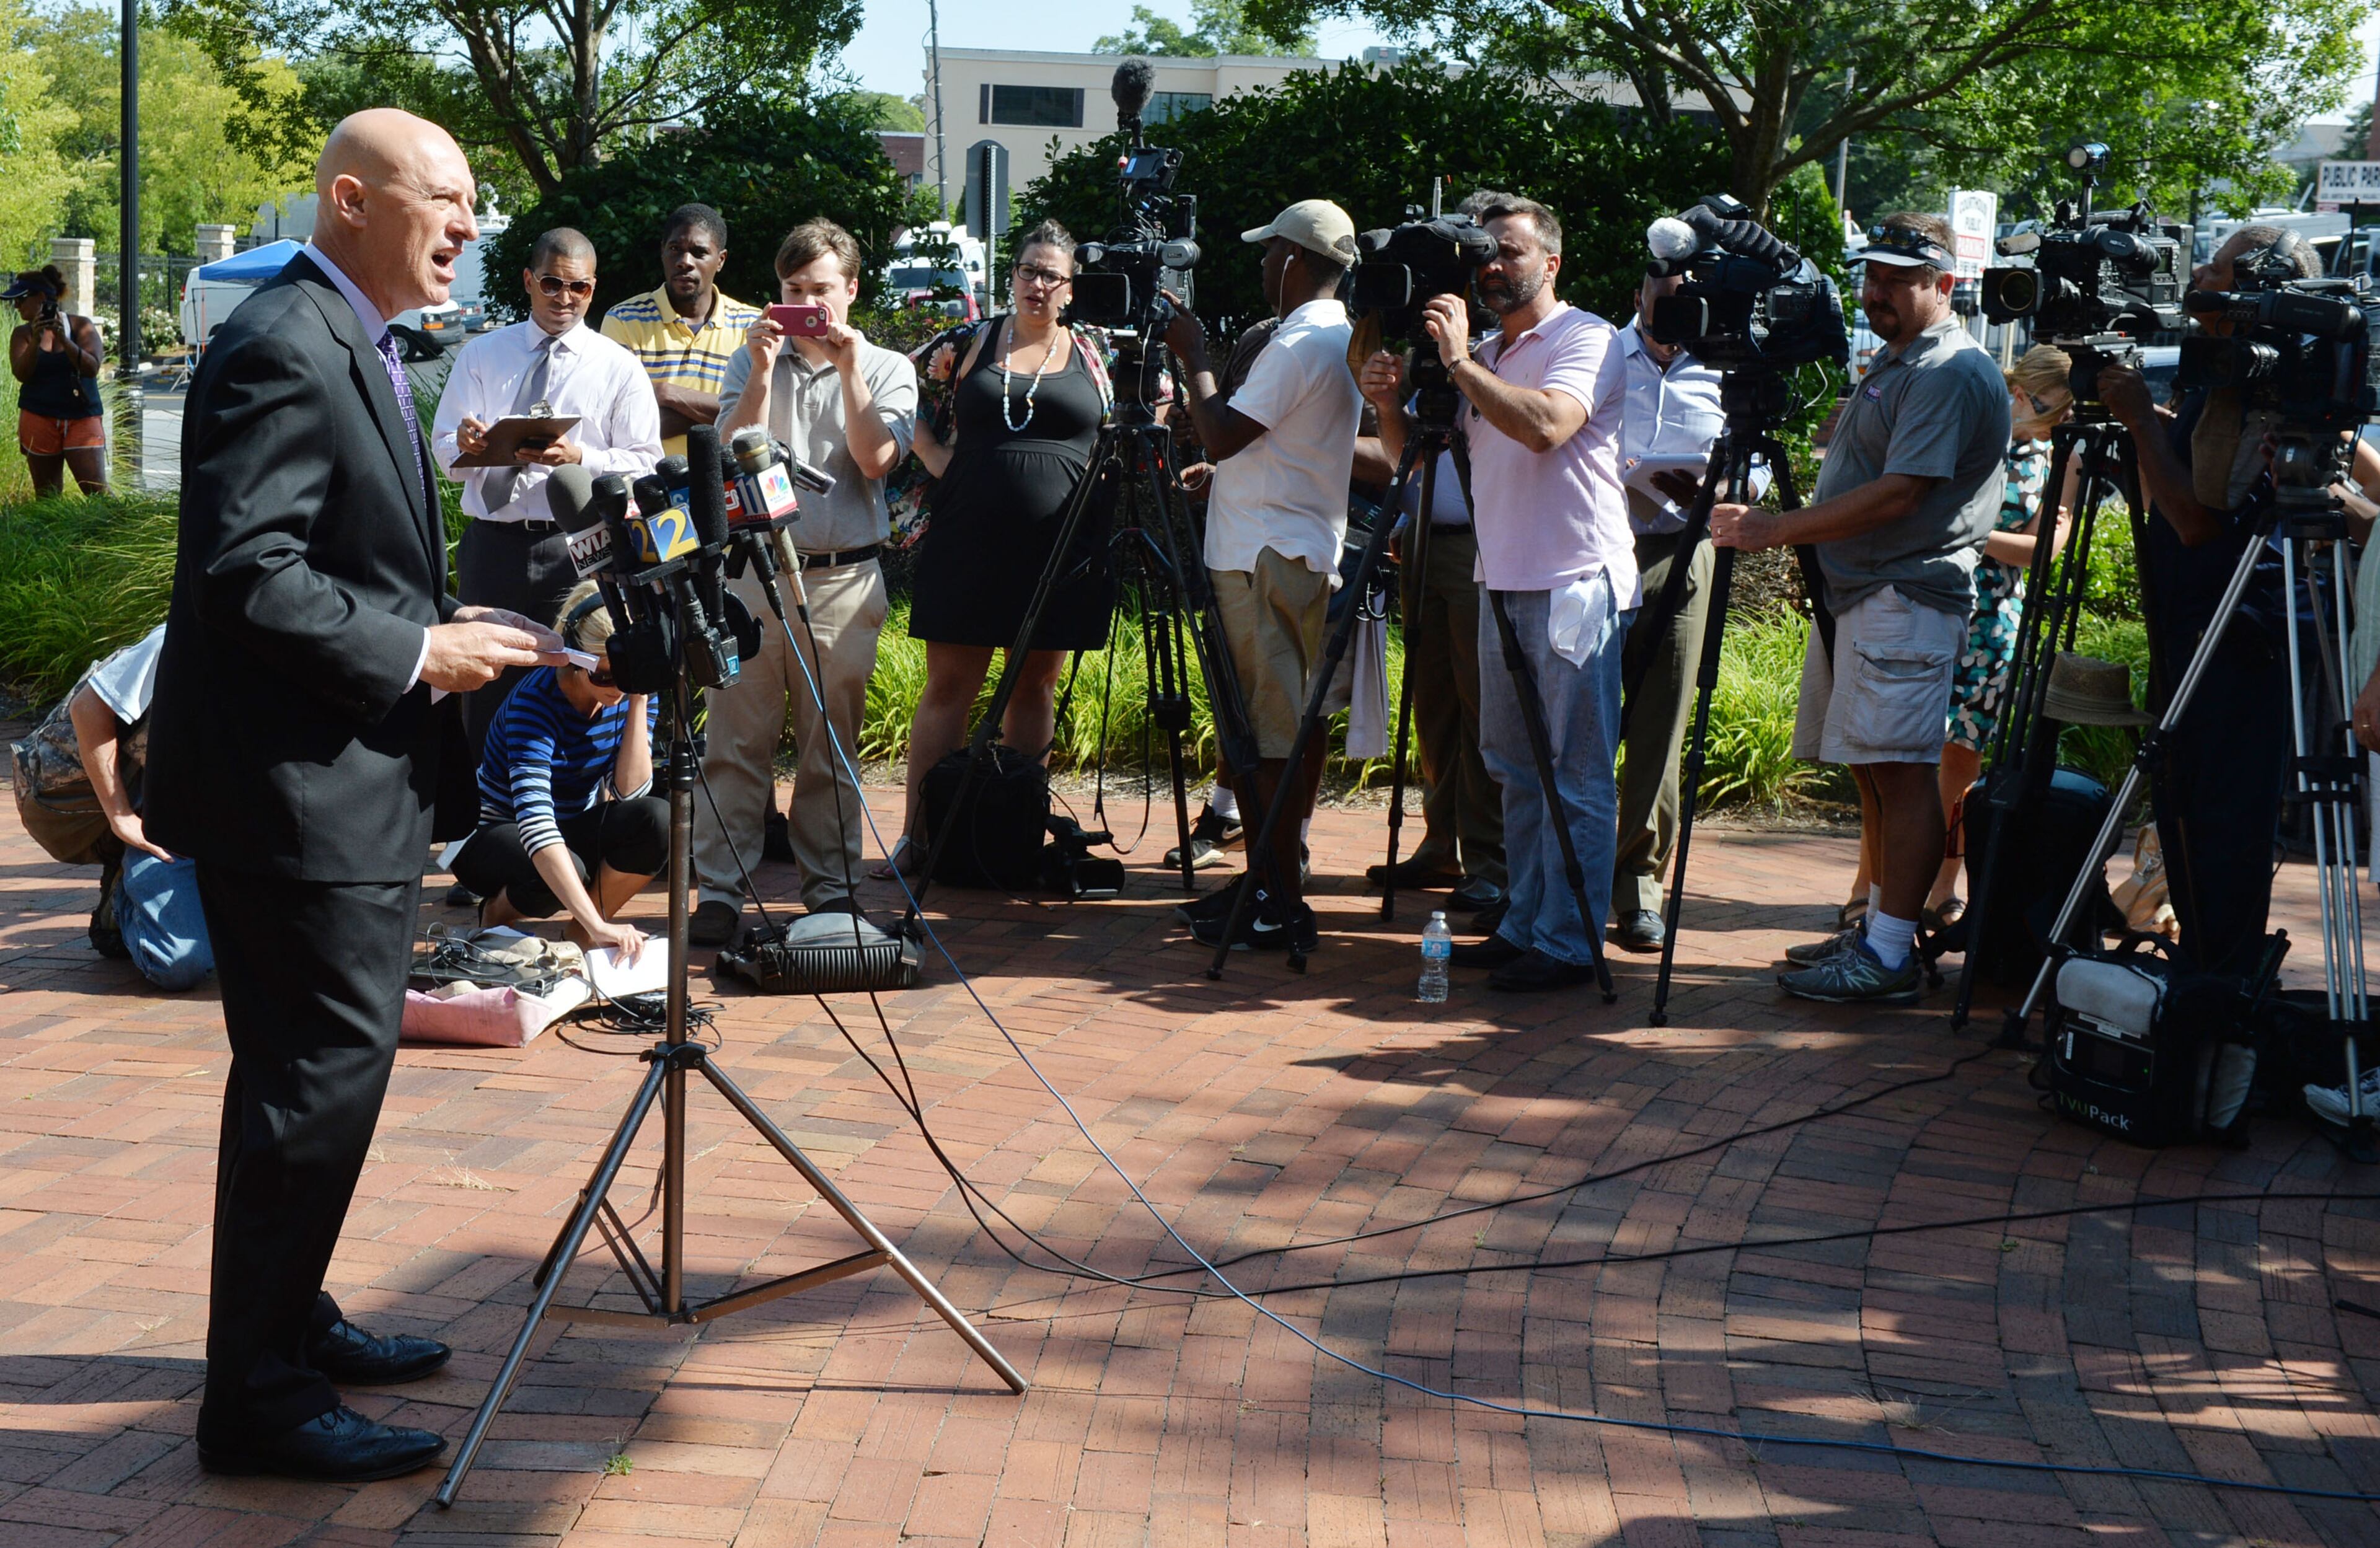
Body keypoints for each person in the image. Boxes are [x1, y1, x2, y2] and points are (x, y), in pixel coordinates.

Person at [143, 108, 564, 1482]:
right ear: (348, 202)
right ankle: (259, 1398)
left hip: (336, 780)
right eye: (444, 199)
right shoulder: (280, 341)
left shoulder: (352, 340)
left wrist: (440, 629)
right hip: (298, 794)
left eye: (471, 201)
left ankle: (292, 1318)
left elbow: (330, 548)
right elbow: (248, 570)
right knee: (313, 1084)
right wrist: (415, 651)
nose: (467, 225)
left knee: (310, 1080)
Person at [1710, 213, 2011, 1003]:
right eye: (1872, 275)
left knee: (1904, 775)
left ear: (1944, 285)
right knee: (1878, 776)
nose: (1877, 291)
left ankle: (1884, 955)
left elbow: (1902, 493)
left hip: (1903, 595)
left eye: (1898, 279)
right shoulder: (1904, 358)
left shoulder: (1946, 368)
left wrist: (1775, 528)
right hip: (1870, 595)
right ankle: (1875, 933)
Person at [1361, 194, 1633, 992]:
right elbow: (1422, 455)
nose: (1492, 265)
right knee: (1513, 764)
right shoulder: (1485, 352)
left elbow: (1548, 426)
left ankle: (1571, 941)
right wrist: (1386, 403)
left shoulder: (1586, 337)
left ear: (1552, 263)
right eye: (1487, 253)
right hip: (1501, 577)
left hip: (1576, 580)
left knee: (1575, 772)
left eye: (1511, 252)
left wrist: (1458, 365)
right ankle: (1526, 921)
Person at [2097, 225, 2322, 978]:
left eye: (2218, 266)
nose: (2199, 271)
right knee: (2184, 802)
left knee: (2222, 817)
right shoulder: (2219, 373)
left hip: (2238, 635)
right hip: (2194, 625)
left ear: (2255, 289)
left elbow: (2197, 521)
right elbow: (2196, 468)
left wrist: (2135, 420)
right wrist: (2148, 420)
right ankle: (2200, 971)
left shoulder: (2273, 391)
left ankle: (2218, 986)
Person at [691, 218, 917, 943]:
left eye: (821, 290)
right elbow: (724, 456)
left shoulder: (887, 367)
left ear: (852, 289)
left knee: (831, 746)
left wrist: (849, 367)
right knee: (735, 740)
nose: (808, 304)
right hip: (752, 572)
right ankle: (720, 891)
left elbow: (877, 457)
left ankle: (832, 891)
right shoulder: (751, 357)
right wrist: (760, 371)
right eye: (793, 290)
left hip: (842, 577)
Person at [877, 220, 1115, 882]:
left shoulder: (1098, 352)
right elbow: (895, 387)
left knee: (1035, 683)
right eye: (1029, 271)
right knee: (949, 684)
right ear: (1012, 276)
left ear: (1071, 288)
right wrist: (933, 455)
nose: (1038, 284)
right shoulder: (965, 344)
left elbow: (1143, 414)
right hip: (969, 539)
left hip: (1059, 547)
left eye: (1052, 275)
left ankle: (1014, 831)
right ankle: (916, 837)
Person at [1161, 200, 1362, 952]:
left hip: (1262, 556)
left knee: (1267, 735)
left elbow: (1223, 429)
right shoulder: (1335, 334)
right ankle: (1271, 885)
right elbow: (1262, 446)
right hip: (1289, 543)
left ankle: (1279, 900)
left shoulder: (1302, 337)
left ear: (1297, 261)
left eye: (1269, 251)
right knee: (1288, 728)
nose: (1260, 264)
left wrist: (1194, 352)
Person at [433, 226, 663, 755]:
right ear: (529, 281)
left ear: (593, 289)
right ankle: (485, 822)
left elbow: (646, 463)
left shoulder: (618, 366)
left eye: (578, 288)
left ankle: (567, 811)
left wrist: (581, 458)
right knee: (485, 679)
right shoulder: (484, 354)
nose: (565, 299)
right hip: (495, 542)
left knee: (578, 678)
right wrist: (466, 443)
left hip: (579, 546)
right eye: (553, 284)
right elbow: (445, 450)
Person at [1609, 258, 1766, 952]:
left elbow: (1756, 469)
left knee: (1659, 727)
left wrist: (1734, 482)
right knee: (1575, 722)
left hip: (1682, 546)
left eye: (1686, 306)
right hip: (1593, 552)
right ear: (1637, 292)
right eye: (1662, 303)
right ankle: (1561, 876)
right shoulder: (1596, 353)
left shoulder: (1728, 367)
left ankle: (1639, 885)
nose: (1673, 321)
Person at [1922, 344, 2078, 926]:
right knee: (1910, 753)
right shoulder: (1972, 432)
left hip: (1992, 621)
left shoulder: (2058, 458)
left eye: (2063, 415)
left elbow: (2044, 552)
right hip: (1936, 600)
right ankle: (1883, 883)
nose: (2055, 423)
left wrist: (1964, 532)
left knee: (1962, 760)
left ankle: (1944, 885)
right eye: (2048, 408)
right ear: (2017, 392)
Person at [453, 584, 662, 959]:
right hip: (493, 833)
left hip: (566, 826)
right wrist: (602, 924)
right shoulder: (534, 705)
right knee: (568, 872)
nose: (615, 687)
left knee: (658, 821)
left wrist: (640, 698)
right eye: (603, 676)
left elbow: (631, 793)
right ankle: (497, 912)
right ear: (574, 658)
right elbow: (536, 825)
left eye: (626, 676)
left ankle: (578, 941)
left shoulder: (632, 693)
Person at [9, 623, 213, 988]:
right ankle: (122, 899)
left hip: (223, 810)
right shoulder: (183, 636)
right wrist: (122, 816)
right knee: (180, 962)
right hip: (139, 796)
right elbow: (87, 709)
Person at [600, 203, 762, 462]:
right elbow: (617, 424)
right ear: (663, 251)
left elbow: (757, 420)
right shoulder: (624, 320)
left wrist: (668, 393)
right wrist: (720, 417)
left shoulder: (750, 325)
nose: (685, 262)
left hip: (730, 485)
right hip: (649, 487)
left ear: (721, 260)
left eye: (699, 253)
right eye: (675, 249)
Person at [7, 266, 108, 496]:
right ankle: (49, 534)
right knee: (47, 496)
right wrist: (36, 341)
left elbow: (92, 368)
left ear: (42, 298)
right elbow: (22, 374)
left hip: (82, 417)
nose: (16, 306)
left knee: (96, 491)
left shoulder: (80, 326)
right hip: (38, 416)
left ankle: (111, 530)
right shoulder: (22, 334)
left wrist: (64, 338)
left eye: (21, 299)